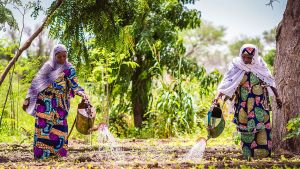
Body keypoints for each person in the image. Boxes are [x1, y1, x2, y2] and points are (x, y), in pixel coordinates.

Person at [214, 44, 282, 159]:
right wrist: (217, 98)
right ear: (241, 55)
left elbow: (269, 80)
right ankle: (247, 155)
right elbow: (226, 84)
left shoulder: (260, 65)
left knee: (262, 128)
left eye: (249, 57)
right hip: (243, 104)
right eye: (244, 56)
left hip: (259, 103)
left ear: (254, 57)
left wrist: (277, 97)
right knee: (245, 128)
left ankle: (262, 156)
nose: (246, 60)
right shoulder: (236, 66)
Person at [22, 44, 88, 160]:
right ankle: (42, 155)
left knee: (59, 129)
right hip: (44, 104)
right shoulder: (48, 67)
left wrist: (81, 93)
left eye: (64, 56)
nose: (62, 59)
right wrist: (28, 99)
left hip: (60, 105)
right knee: (43, 129)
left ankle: (57, 155)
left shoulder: (69, 69)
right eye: (59, 57)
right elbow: (36, 84)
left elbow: (74, 85)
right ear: (54, 56)